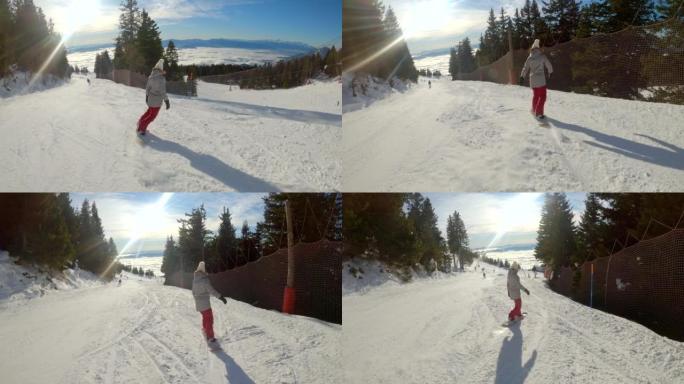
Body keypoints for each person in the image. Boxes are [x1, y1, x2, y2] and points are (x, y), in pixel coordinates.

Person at [192, 261, 227, 345]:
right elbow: (211, 290)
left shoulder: (195, 280)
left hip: (199, 304)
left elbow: (193, 292)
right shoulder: (204, 280)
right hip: (205, 304)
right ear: (203, 270)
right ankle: (210, 337)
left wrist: (197, 299)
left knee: (205, 318)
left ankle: (205, 329)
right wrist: (221, 297)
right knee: (209, 320)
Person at [519, 39, 553, 121]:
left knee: (536, 96)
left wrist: (522, 77)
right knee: (542, 96)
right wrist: (550, 72)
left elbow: (525, 68)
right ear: (538, 48)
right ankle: (539, 113)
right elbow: (548, 64)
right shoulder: (542, 56)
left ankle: (534, 110)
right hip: (541, 80)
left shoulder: (529, 58)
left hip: (533, 80)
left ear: (532, 49)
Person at [137, 59, 170, 135]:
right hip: (157, 102)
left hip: (150, 100)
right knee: (152, 116)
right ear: (161, 69)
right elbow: (163, 92)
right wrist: (167, 101)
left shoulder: (151, 76)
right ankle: (142, 128)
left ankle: (140, 123)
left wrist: (147, 96)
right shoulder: (161, 79)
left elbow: (147, 88)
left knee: (149, 112)